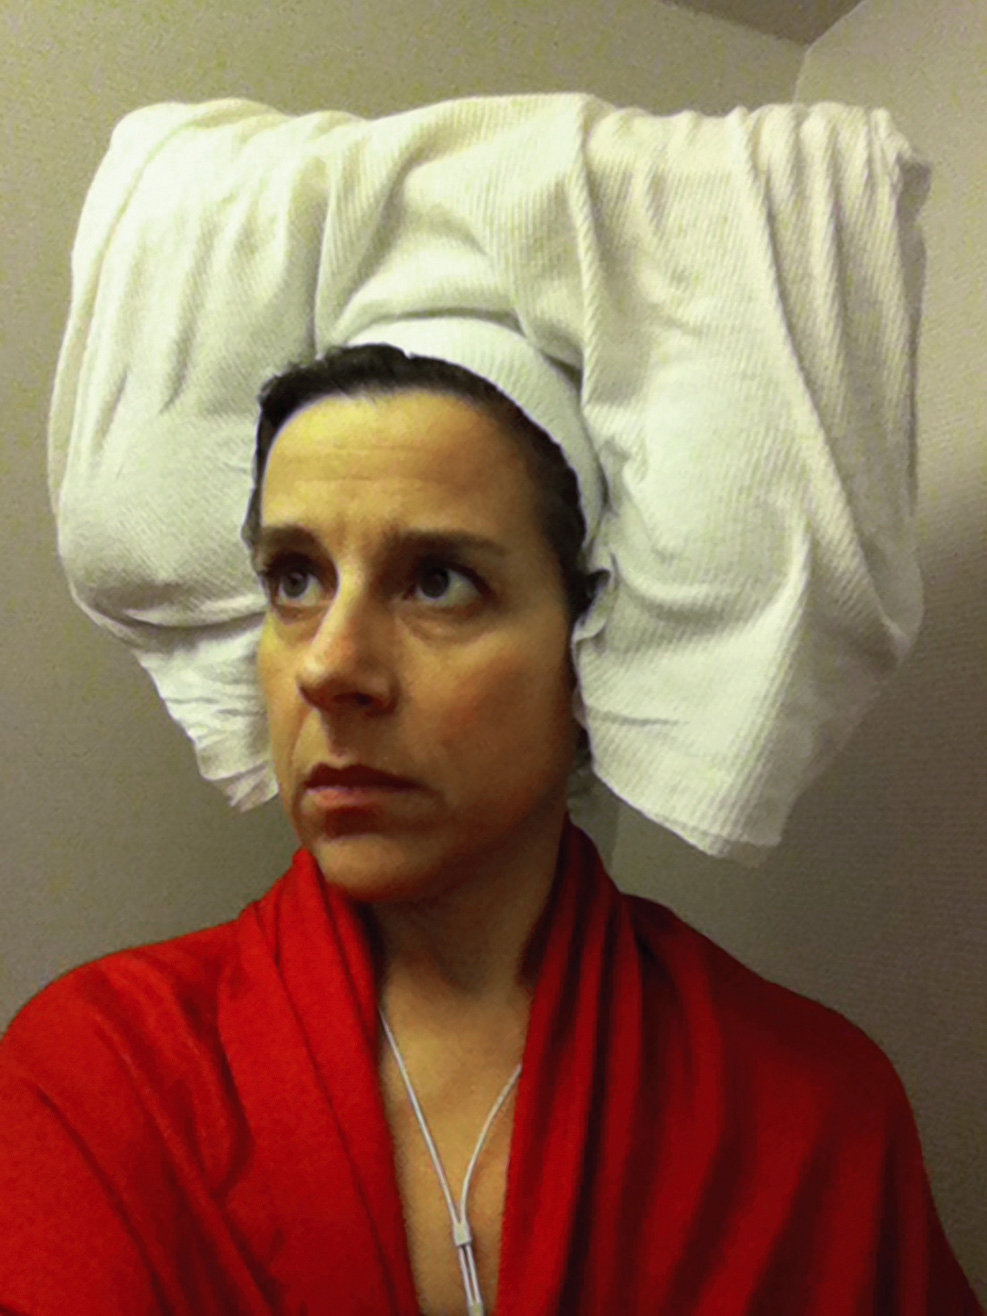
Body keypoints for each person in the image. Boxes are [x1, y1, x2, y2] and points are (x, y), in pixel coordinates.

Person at [1, 340, 982, 1314]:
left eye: (437, 580)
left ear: (591, 645)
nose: (328, 666)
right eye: (295, 579)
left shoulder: (804, 1120)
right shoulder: (101, 1080)